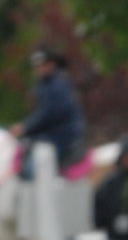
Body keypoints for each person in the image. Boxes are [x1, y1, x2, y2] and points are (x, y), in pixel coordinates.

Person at [10, 48, 85, 178]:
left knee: (32, 171)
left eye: (43, 65)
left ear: (52, 64)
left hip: (61, 137)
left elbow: (49, 115)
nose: (40, 69)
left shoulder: (57, 85)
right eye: (37, 66)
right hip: (51, 136)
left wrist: (25, 127)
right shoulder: (44, 85)